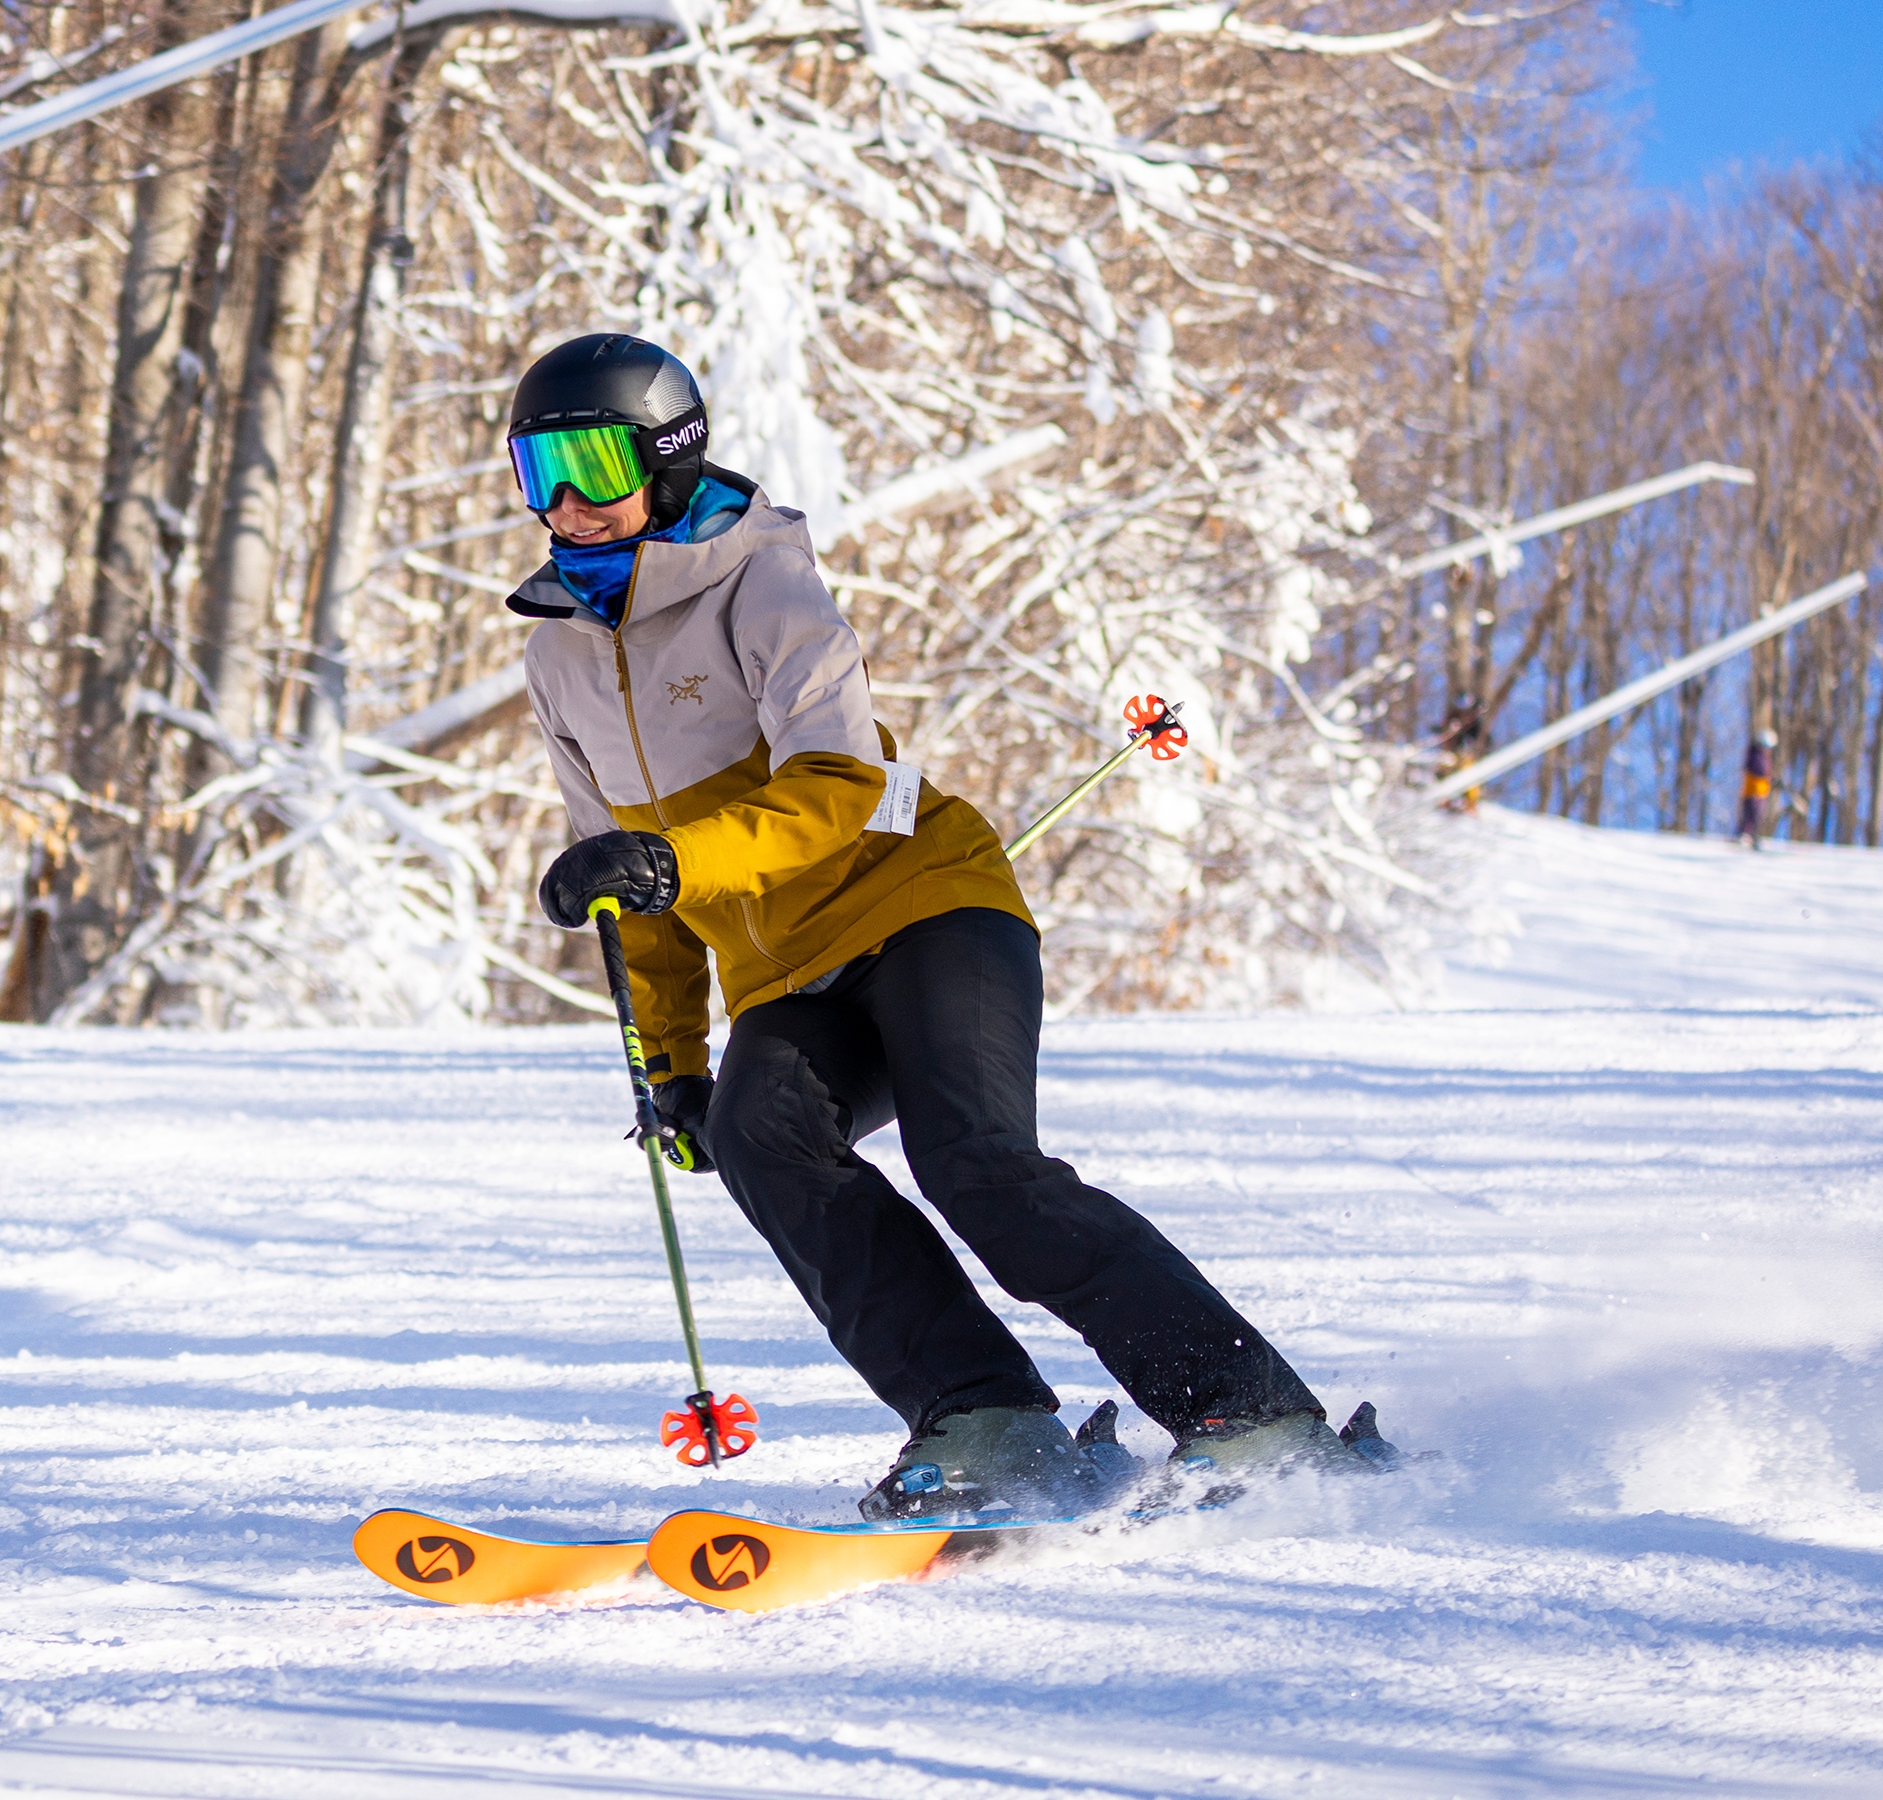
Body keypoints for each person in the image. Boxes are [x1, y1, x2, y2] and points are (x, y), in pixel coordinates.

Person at [503, 333, 1387, 1520]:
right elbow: (637, 894)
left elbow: (836, 784)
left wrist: (668, 860)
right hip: (791, 978)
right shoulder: (554, 652)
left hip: (928, 909)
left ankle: (1253, 1413)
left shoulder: (760, 580)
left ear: (664, 465)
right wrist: (671, 1062)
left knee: (978, 1166)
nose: (567, 504)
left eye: (595, 467)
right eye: (537, 473)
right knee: (765, 1141)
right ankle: (988, 1419)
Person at [1736, 728, 1776, 849]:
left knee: (1757, 815)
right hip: (1753, 790)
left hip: (1760, 791)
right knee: (1751, 814)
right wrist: (1770, 777)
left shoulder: (1762, 756)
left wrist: (1771, 779)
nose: (1768, 750)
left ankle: (1751, 835)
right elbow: (1760, 770)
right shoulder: (1755, 754)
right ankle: (1745, 834)